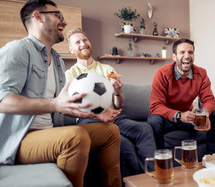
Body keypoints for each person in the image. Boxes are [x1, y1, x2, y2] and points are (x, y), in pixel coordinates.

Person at [0, 0, 124, 187]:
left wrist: (93, 114)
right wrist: (55, 104)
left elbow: (61, 104)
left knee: (110, 131)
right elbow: (1, 102)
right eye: (58, 15)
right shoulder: (17, 50)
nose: (64, 21)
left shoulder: (57, 60)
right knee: (75, 137)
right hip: (18, 141)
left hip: (47, 133)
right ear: (38, 17)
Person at [65, 28, 156, 177]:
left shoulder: (107, 69)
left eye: (85, 40)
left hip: (115, 117)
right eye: (77, 42)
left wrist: (117, 91)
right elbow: (72, 106)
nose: (83, 44)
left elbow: (119, 105)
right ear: (71, 49)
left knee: (144, 128)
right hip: (89, 120)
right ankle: (137, 184)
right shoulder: (70, 74)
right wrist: (97, 115)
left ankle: (153, 176)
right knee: (124, 144)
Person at [147, 38, 215, 154]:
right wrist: (178, 115)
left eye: (190, 52)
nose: (187, 56)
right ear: (174, 56)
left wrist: (205, 113)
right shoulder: (162, 73)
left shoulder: (201, 73)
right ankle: (160, 161)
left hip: (189, 118)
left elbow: (208, 99)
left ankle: (212, 159)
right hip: (167, 118)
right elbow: (155, 106)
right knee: (154, 120)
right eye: (182, 52)